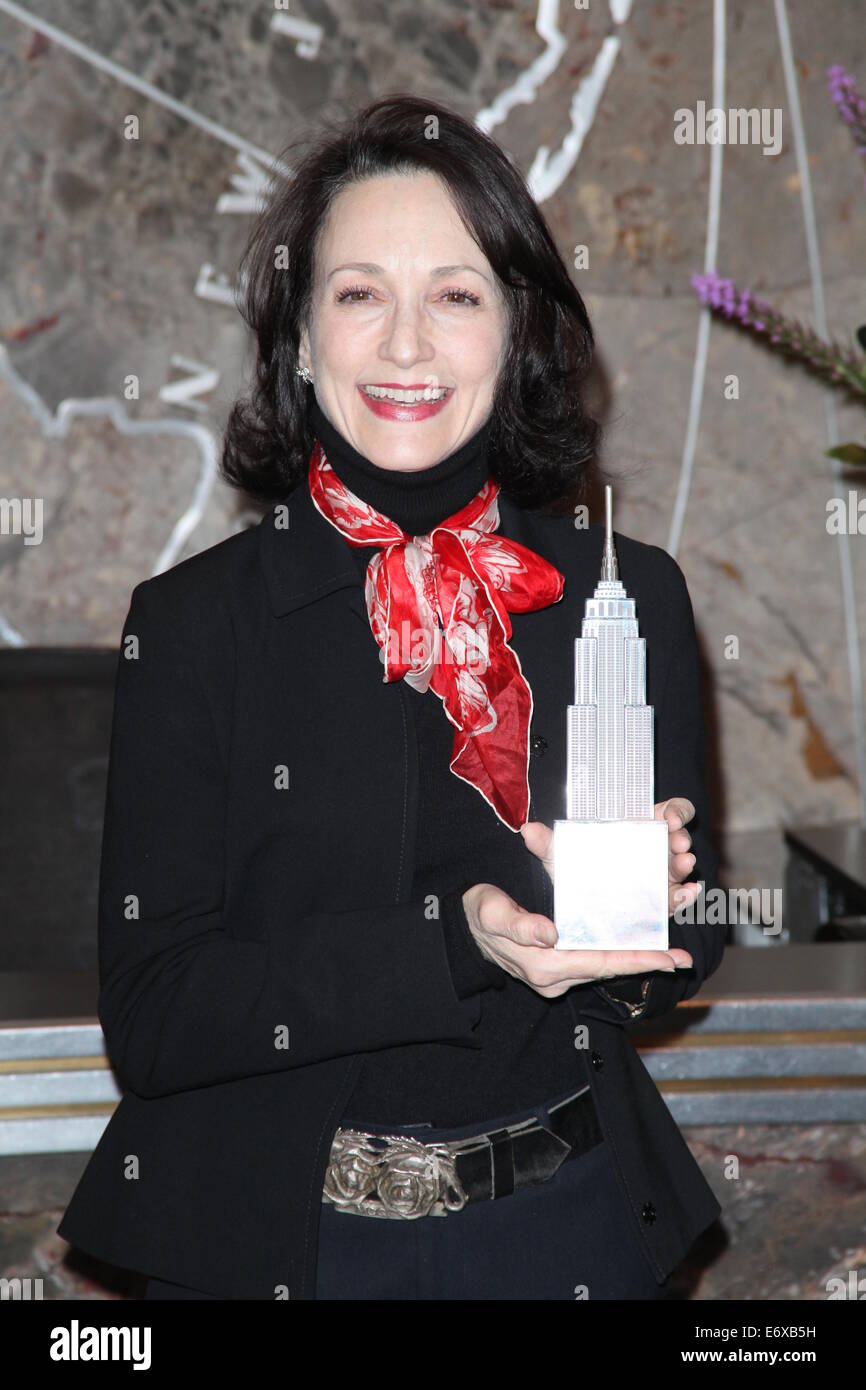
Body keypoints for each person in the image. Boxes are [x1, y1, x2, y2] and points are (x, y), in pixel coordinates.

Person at [57, 94, 724, 1301]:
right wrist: (456, 943)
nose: (406, 347)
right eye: (360, 293)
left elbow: (682, 949)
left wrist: (641, 920)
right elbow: (155, 1015)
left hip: (563, 1232)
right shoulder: (195, 624)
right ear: (299, 337)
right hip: (281, 1246)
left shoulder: (623, 593)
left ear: (514, 330)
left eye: (456, 295)